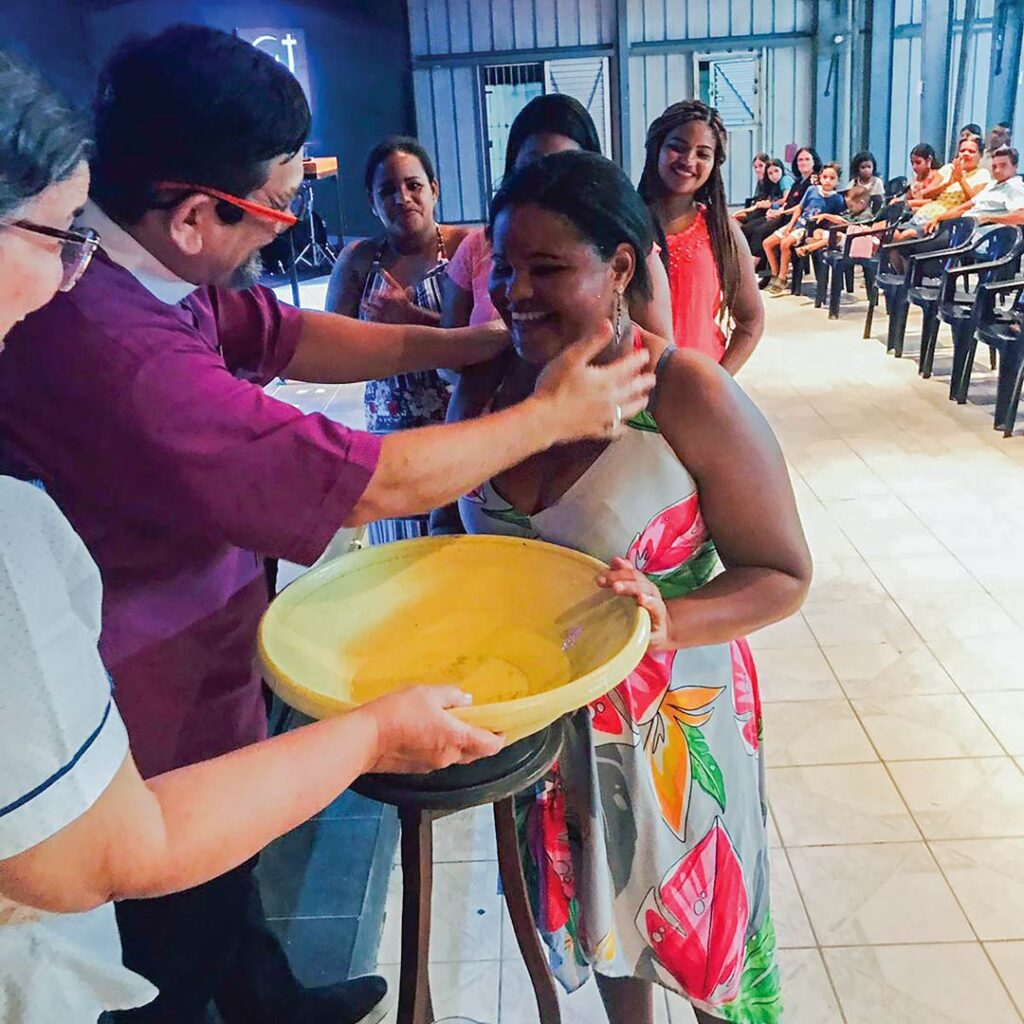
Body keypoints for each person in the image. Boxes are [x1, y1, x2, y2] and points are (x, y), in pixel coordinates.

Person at [0, 28, 655, 1024]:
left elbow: (286, 332)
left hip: (200, 642)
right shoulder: (108, 338)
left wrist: (487, 337)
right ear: (190, 214)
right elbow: (366, 484)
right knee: (163, 934)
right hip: (137, 692)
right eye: (273, 205)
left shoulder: (145, 274)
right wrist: (548, 412)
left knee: (226, 892)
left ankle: (267, 998)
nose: (282, 227)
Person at [447, 149, 812, 1024]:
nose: (514, 289)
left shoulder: (686, 393)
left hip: (671, 729)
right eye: (503, 265)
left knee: (703, 943)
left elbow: (785, 574)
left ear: (618, 267)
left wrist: (668, 618)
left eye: (546, 268)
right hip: (543, 728)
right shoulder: (495, 383)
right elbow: (449, 525)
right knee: (607, 927)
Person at [324, 136, 470, 543]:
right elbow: (332, 352)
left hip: (460, 428)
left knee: (462, 552)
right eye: (387, 190)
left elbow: (493, 336)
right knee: (400, 558)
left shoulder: (467, 247)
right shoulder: (357, 261)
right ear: (372, 202)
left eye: (413, 185)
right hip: (391, 436)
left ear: (434, 189)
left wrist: (411, 320)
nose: (402, 198)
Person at [440, 94, 673, 340]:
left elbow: (656, 353)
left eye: (547, 269)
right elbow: (450, 351)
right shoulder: (477, 247)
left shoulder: (628, 248)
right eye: (504, 268)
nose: (550, 181)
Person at [638, 101, 763, 373]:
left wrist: (719, 382)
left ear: (714, 164)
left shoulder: (721, 231)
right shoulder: (626, 223)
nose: (688, 161)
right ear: (657, 148)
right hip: (633, 392)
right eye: (677, 147)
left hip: (697, 388)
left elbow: (751, 320)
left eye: (702, 154)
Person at [741, 146, 821, 285]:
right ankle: (754, 268)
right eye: (800, 160)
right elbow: (789, 202)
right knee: (748, 228)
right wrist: (777, 210)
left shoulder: (814, 182)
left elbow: (803, 207)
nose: (803, 162)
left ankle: (761, 273)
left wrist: (780, 212)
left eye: (807, 159)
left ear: (814, 161)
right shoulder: (798, 181)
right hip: (785, 214)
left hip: (799, 220)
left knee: (761, 231)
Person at [763, 161, 845, 295]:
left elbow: (835, 220)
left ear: (837, 180)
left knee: (785, 243)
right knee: (767, 243)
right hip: (798, 223)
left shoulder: (837, 199)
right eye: (824, 177)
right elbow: (800, 208)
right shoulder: (812, 190)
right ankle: (774, 273)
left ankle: (782, 278)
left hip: (808, 229)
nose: (827, 181)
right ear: (820, 177)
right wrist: (790, 225)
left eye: (832, 178)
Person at [895, 134, 991, 240]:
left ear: (980, 155)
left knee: (905, 236)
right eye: (962, 151)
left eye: (971, 151)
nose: (966, 154)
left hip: (947, 221)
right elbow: (927, 194)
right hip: (926, 212)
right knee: (892, 235)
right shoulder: (949, 168)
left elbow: (974, 202)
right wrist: (949, 182)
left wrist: (961, 180)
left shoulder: (982, 174)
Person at [924, 145, 1024, 231]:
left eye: (1003, 166)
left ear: (1015, 166)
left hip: (976, 235)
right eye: (994, 166)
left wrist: (990, 218)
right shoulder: (992, 184)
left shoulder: (1015, 187)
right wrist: (938, 218)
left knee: (915, 240)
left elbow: (1021, 216)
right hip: (959, 227)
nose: (997, 170)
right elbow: (965, 207)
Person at [795, 183, 876, 257]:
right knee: (818, 231)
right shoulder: (852, 213)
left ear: (861, 203)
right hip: (844, 239)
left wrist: (830, 217)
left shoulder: (867, 215)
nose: (850, 209)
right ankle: (819, 245)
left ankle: (808, 248)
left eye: (851, 206)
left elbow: (850, 225)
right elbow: (843, 218)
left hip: (856, 241)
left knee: (835, 236)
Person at [732, 157, 787, 224]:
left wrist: (770, 204)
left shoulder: (783, 180)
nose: (758, 170)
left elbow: (785, 199)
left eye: (761, 166)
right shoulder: (763, 182)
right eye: (755, 167)